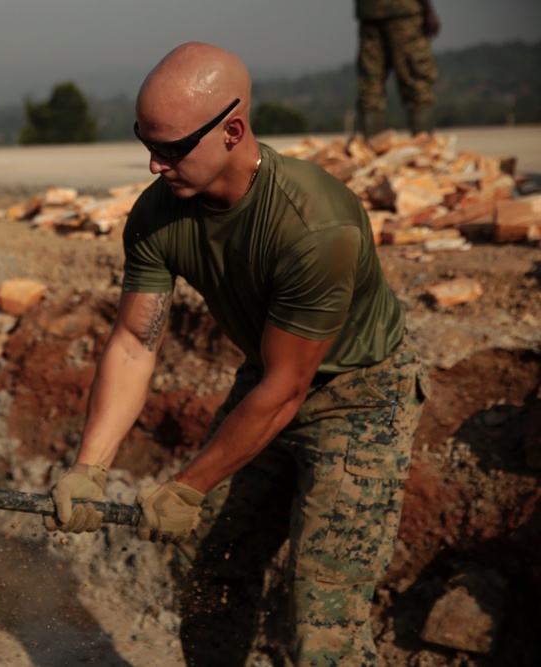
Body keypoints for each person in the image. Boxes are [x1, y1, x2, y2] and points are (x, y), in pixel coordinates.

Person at [43, 42, 429, 666]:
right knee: (209, 569)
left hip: (360, 398)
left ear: (233, 130)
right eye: (145, 142)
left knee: (322, 619)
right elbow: (135, 344)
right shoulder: (157, 216)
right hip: (268, 379)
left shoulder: (314, 227)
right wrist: (90, 469)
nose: (153, 164)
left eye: (170, 148)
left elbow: (288, 388)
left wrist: (186, 487)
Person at [355, 0, 440, 138]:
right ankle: (424, 150)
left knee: (371, 84)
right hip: (405, 12)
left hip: (370, 11)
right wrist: (429, 10)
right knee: (417, 82)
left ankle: (370, 150)